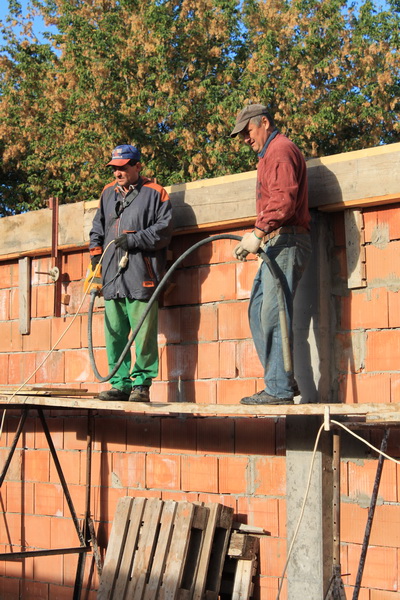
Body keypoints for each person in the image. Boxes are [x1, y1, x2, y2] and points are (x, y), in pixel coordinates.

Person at [230, 104, 311, 405]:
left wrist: (258, 232)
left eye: (247, 131)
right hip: (277, 242)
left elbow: (283, 200)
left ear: (264, 122)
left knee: (273, 313)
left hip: (287, 240)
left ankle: (279, 389)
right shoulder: (269, 154)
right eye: (241, 135)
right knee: (258, 311)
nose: (245, 139)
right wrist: (259, 236)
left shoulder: (279, 150)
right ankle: (283, 380)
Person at [89, 144, 173, 402]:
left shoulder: (156, 193)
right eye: (114, 168)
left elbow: (164, 230)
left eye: (123, 168)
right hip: (111, 277)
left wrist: (135, 240)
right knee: (114, 333)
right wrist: (96, 259)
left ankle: (141, 385)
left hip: (141, 274)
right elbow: (97, 228)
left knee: (143, 333)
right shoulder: (107, 193)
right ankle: (120, 384)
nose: (118, 173)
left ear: (137, 166)